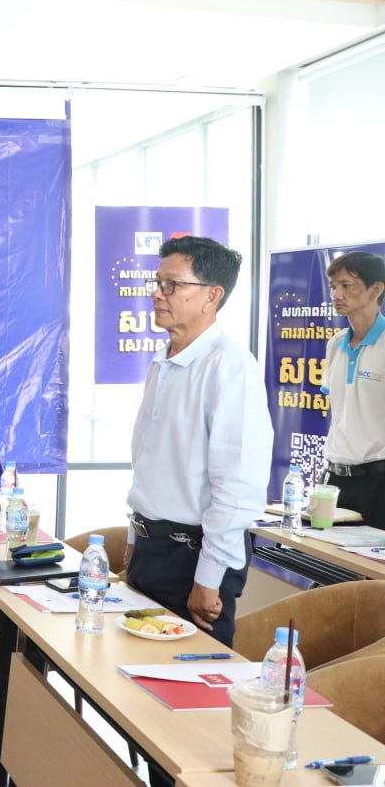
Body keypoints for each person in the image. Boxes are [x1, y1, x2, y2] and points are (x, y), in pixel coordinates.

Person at [124, 236, 273, 647]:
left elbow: (238, 486)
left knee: (190, 682)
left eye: (172, 285)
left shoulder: (230, 367)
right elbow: (150, 462)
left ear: (212, 295)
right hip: (152, 550)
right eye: (158, 283)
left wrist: (208, 577)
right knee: (132, 676)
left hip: (194, 557)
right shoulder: (164, 361)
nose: (158, 294)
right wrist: (135, 539)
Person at [320, 252, 385, 529]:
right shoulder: (335, 344)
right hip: (335, 479)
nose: (337, 294)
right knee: (324, 555)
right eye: (334, 286)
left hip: (378, 481)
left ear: (376, 289)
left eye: (347, 285)